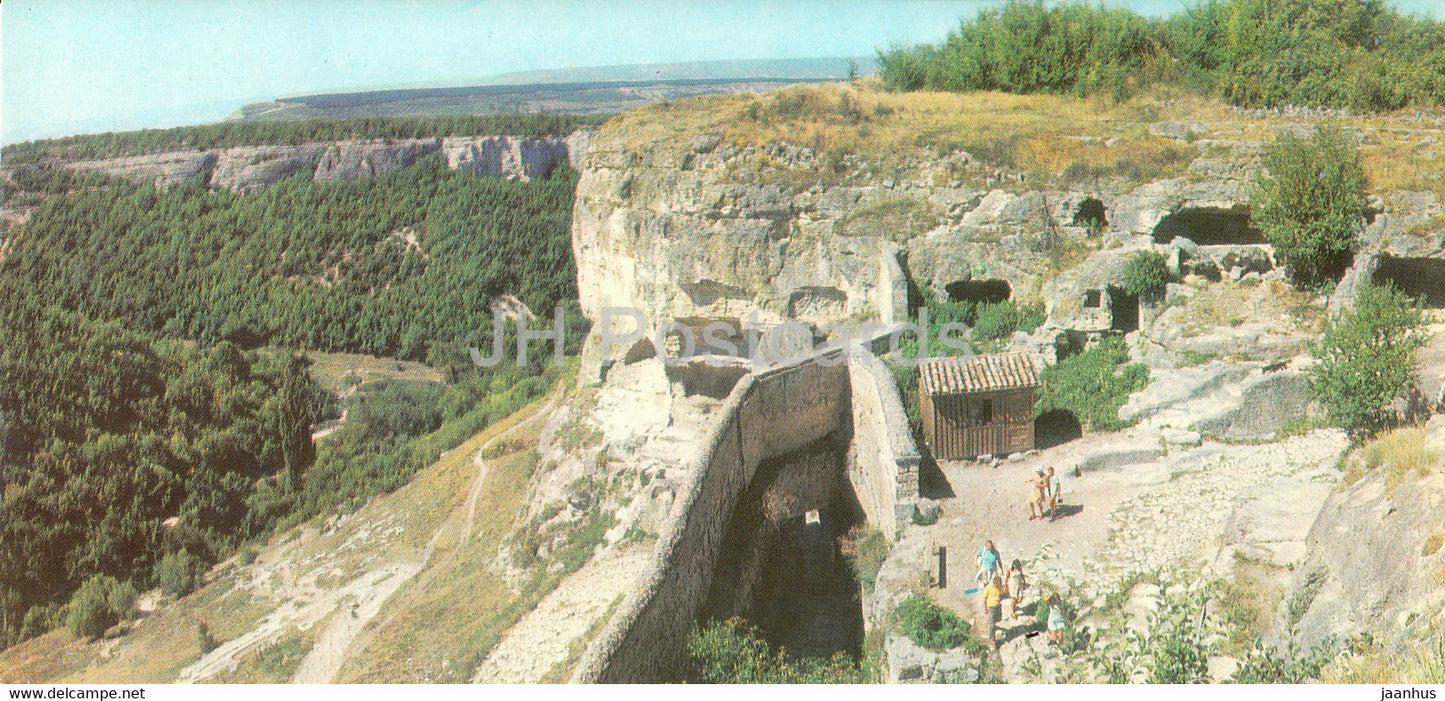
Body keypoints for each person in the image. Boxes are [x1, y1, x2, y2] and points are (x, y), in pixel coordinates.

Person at [982, 575, 1005, 649]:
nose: (999, 585)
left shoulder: (999, 588)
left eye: (1000, 583)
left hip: (998, 606)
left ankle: (992, 625)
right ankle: (992, 640)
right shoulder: (988, 588)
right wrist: (985, 608)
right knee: (991, 625)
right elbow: (984, 598)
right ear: (994, 582)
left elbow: (1003, 592)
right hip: (991, 607)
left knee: (998, 619)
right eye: (998, 583)